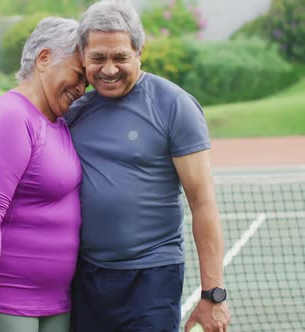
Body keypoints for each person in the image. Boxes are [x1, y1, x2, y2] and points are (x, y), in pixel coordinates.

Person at [65, 1, 232, 331]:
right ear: (82, 55)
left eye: (120, 57)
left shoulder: (174, 105)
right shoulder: (72, 110)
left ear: (140, 52)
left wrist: (213, 294)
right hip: (86, 277)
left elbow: (203, 203)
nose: (109, 69)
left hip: (153, 278)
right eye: (98, 58)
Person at [0, 17, 88, 332]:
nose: (81, 89)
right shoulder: (11, 118)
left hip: (53, 298)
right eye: (78, 75)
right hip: (6, 298)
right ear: (44, 59)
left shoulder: (57, 120)